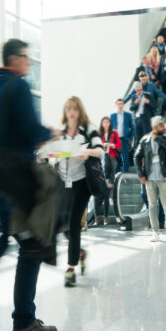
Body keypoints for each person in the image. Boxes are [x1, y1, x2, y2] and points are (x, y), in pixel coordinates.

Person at [0, 39, 58, 331]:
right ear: (14, 59)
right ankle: (23, 320)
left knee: (9, 241)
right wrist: (52, 133)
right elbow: (31, 130)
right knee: (31, 248)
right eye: (26, 58)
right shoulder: (18, 86)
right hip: (16, 178)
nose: (29, 63)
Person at [52, 97, 103, 287]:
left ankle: (71, 268)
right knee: (62, 223)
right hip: (63, 181)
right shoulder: (61, 132)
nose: (71, 112)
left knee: (73, 223)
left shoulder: (88, 129)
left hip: (82, 182)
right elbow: (52, 153)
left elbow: (100, 151)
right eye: (68, 109)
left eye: (74, 108)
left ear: (79, 111)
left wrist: (87, 152)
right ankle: (80, 252)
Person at [135, 115, 166, 242]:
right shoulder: (145, 140)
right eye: (161, 125)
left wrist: (157, 138)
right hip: (150, 178)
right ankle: (155, 232)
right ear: (154, 127)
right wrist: (141, 174)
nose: (164, 127)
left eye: (163, 125)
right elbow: (136, 157)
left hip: (164, 177)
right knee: (152, 206)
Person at [95, 116, 120, 225]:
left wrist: (111, 145)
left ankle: (105, 217)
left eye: (107, 122)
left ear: (109, 123)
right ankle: (97, 218)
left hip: (111, 157)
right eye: (103, 122)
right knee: (97, 196)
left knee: (108, 184)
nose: (105, 124)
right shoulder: (98, 134)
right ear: (101, 123)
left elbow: (119, 145)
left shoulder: (114, 133)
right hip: (100, 160)